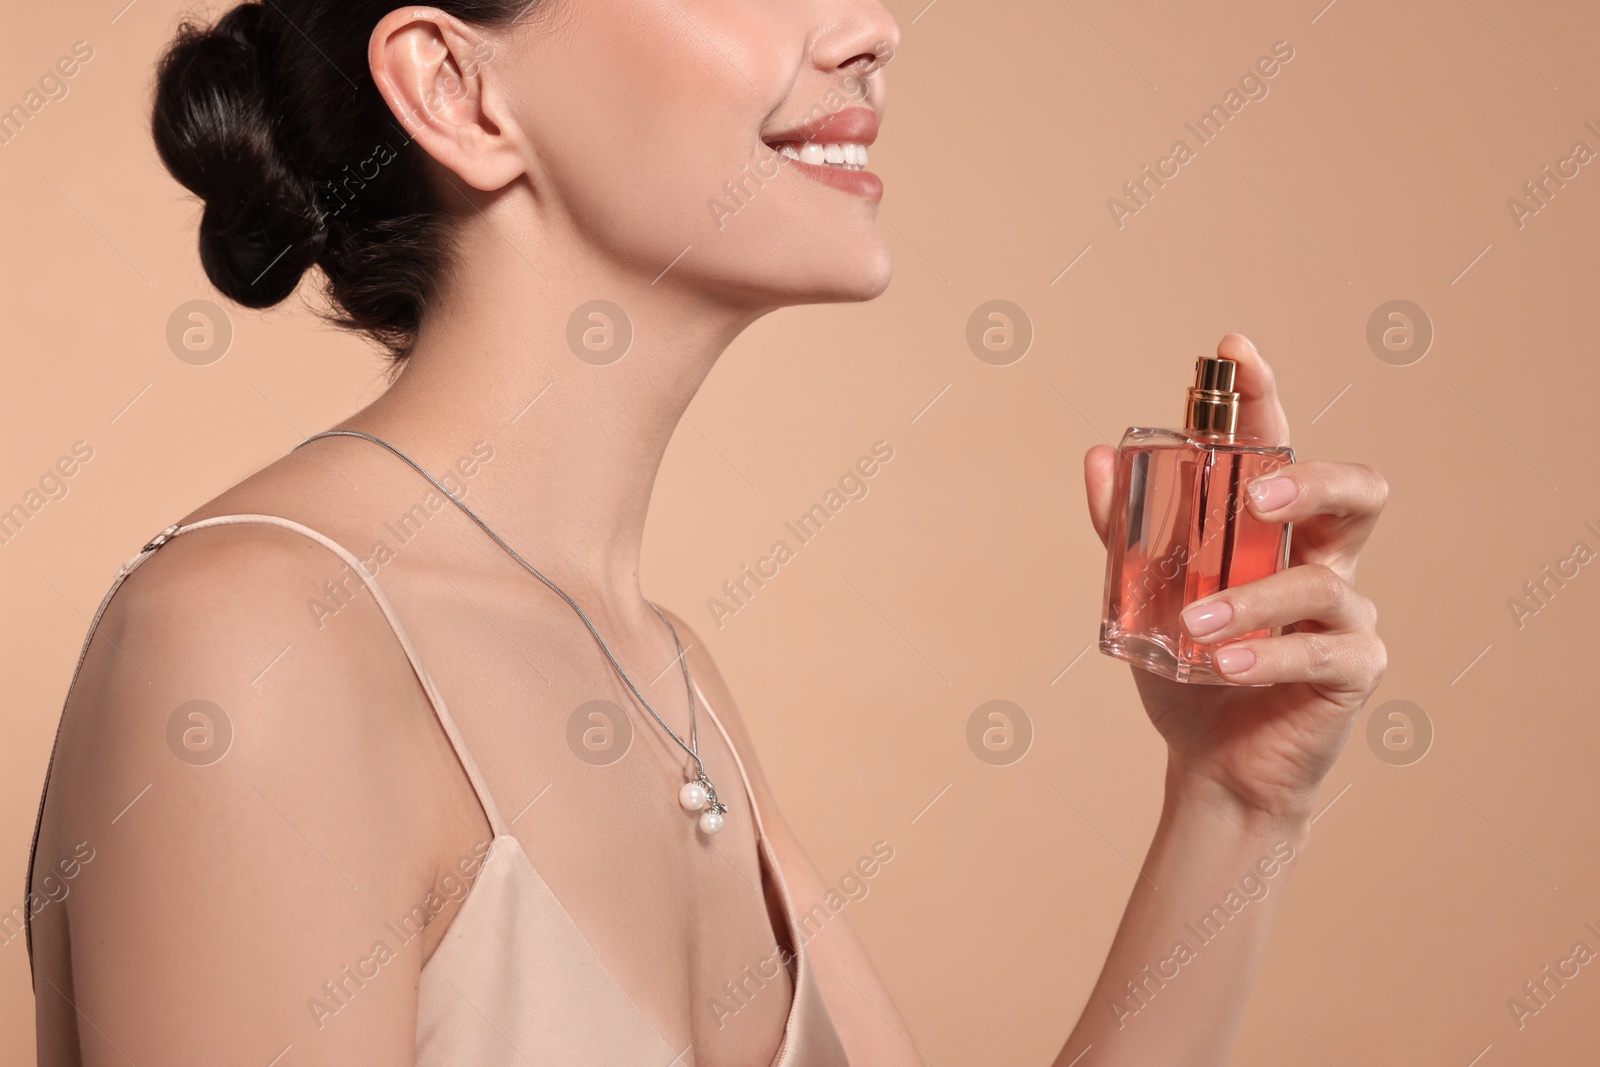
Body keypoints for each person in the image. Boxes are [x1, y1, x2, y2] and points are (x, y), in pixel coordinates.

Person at [25, 1, 1388, 1064]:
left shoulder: (665, 679)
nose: (873, 29)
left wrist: (1233, 802)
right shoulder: (256, 651)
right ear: (455, 89)